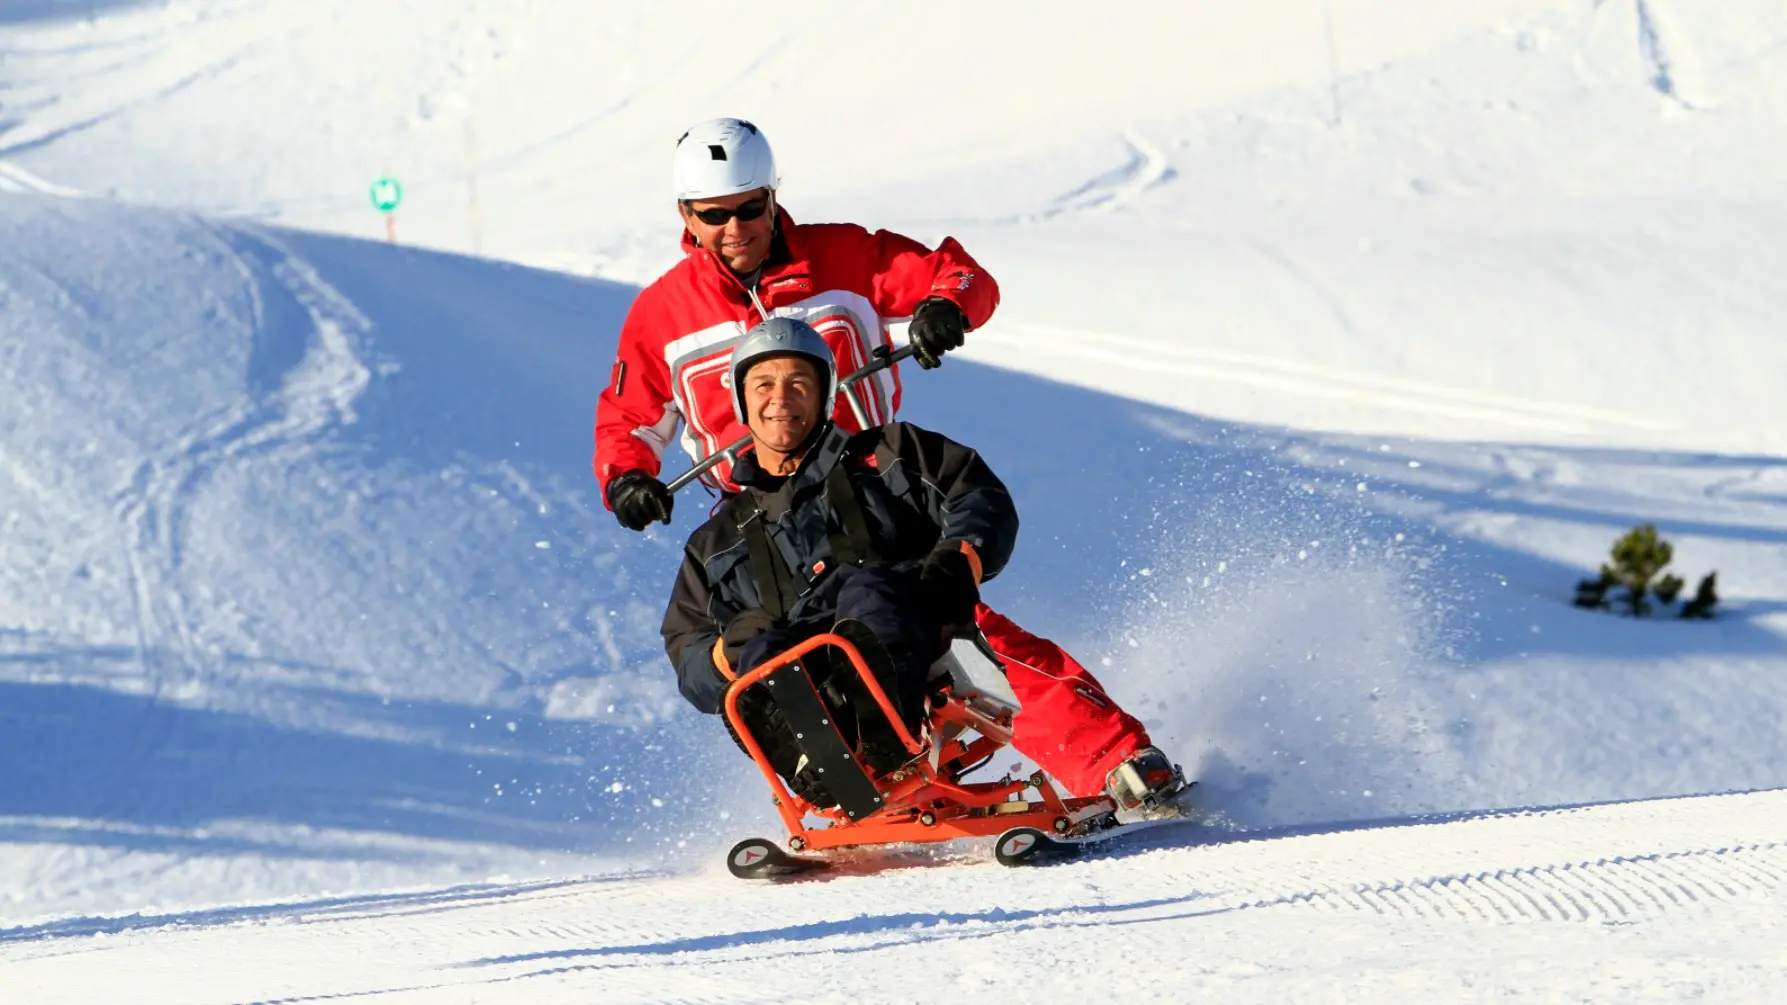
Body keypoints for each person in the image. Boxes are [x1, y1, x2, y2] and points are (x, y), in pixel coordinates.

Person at [599, 118, 1184, 811]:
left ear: (772, 196)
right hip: (760, 523)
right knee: (770, 654)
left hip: (873, 491)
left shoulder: (841, 257)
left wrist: (946, 306)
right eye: (714, 215)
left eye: (750, 207)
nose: (735, 228)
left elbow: (959, 275)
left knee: (953, 627)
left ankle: (1113, 761)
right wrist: (628, 476)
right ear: (685, 216)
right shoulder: (661, 313)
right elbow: (630, 416)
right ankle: (849, 783)